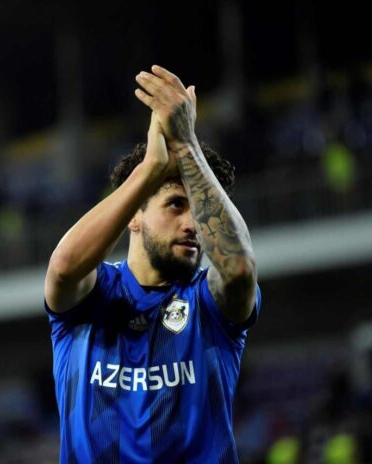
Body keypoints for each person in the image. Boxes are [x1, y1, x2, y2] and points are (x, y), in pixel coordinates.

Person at [44, 65, 261, 463]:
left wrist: (187, 143)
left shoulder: (208, 302)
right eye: (176, 205)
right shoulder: (91, 295)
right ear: (134, 216)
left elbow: (239, 269)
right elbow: (62, 267)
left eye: (197, 210)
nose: (192, 224)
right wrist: (149, 169)